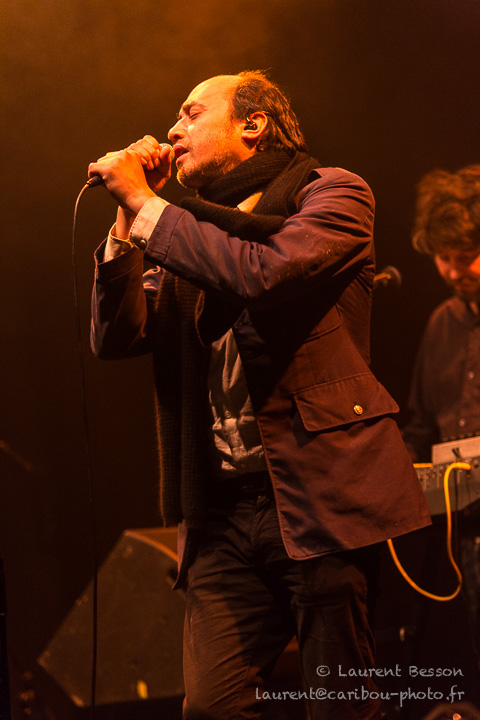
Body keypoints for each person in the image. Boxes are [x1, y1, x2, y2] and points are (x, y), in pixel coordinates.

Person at [88, 71, 430, 720]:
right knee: (210, 709)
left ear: (253, 124)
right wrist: (128, 215)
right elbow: (119, 335)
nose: (173, 130)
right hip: (219, 513)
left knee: (340, 707)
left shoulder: (331, 193)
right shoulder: (182, 231)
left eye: (191, 114)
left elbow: (262, 271)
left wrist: (150, 205)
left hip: (320, 494)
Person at [403, 164, 480, 659]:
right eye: (443, 258)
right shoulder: (441, 323)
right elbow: (420, 425)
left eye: (466, 257)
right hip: (461, 533)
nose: (453, 272)